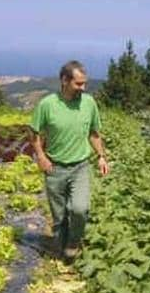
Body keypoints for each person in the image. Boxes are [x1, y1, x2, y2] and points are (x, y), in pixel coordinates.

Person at [29, 60, 109, 263]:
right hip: (54, 168)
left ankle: (74, 242)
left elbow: (94, 133)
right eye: (79, 84)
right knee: (59, 216)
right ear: (64, 80)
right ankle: (63, 247)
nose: (84, 88)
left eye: (84, 83)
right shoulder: (47, 105)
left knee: (79, 209)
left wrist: (101, 156)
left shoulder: (89, 103)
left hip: (80, 166)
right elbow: (34, 133)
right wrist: (41, 156)